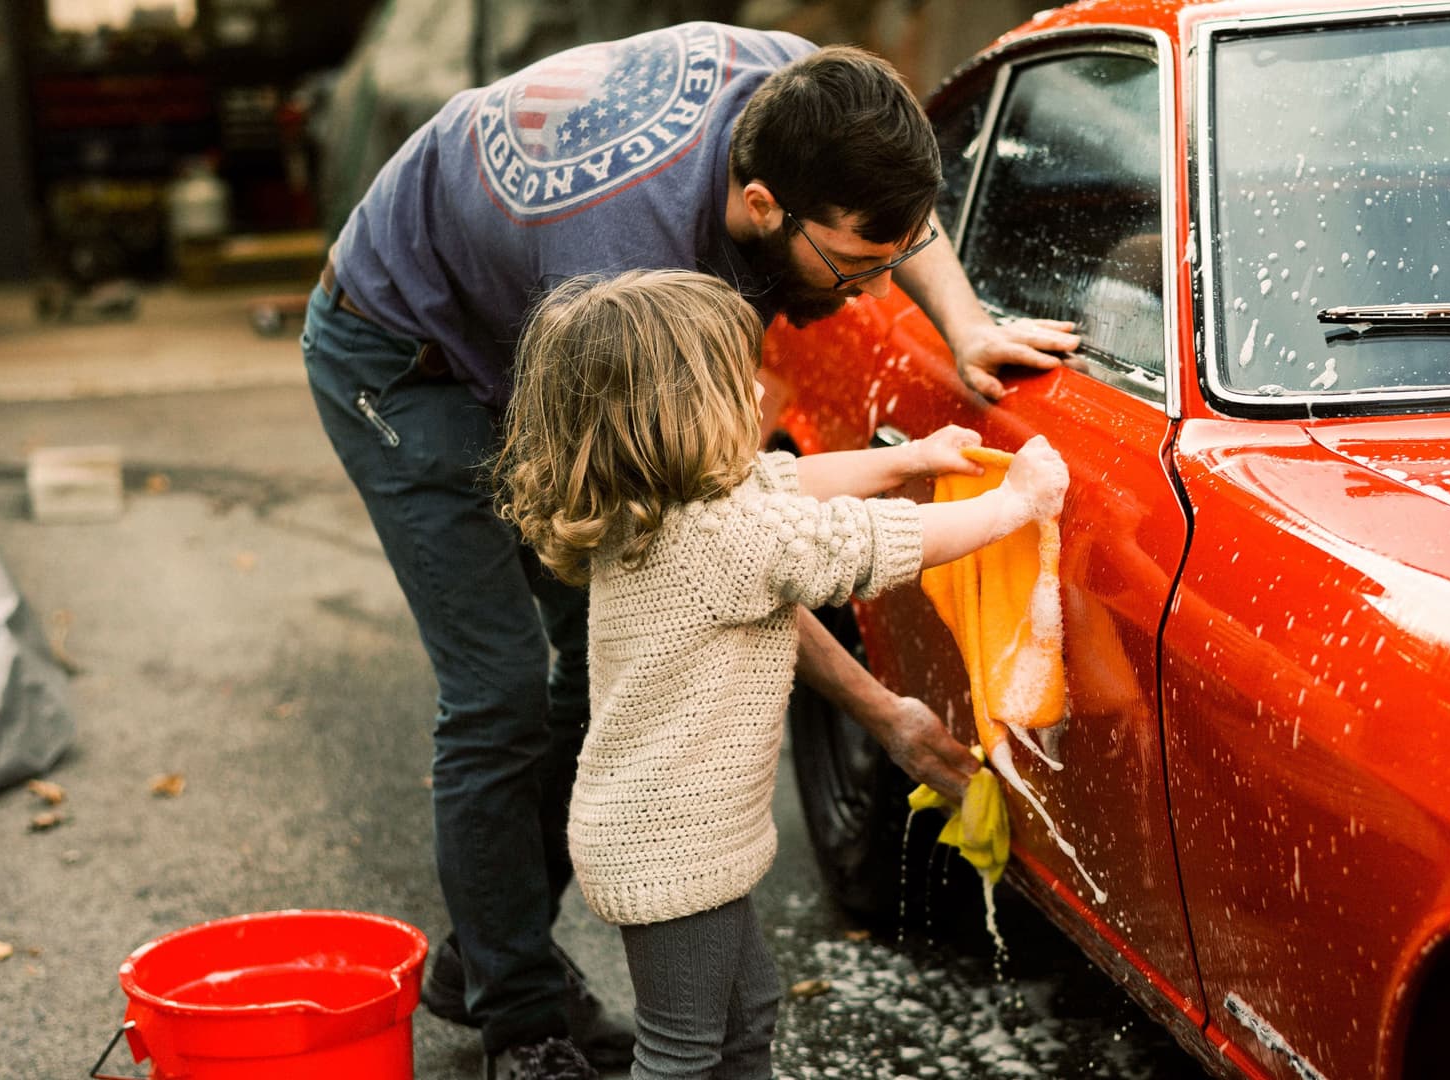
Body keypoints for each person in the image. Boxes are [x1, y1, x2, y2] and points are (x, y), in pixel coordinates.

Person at [298, 21, 1077, 1080]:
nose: (867, 290)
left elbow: (747, 506)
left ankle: (488, 951)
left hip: (542, 324)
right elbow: (733, 560)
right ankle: (519, 1017)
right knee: (500, 695)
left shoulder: (806, 99)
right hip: (405, 354)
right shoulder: (620, 272)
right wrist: (884, 713)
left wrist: (966, 326)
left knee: (593, 669)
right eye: (854, 266)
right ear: (762, 205)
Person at [496, 267, 1068, 1080]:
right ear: (680, 415)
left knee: (746, 1017)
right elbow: (866, 544)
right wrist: (1010, 508)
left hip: (673, 838)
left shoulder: (654, 509)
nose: (759, 396)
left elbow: (792, 482)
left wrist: (916, 460)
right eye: (739, 384)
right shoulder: (719, 540)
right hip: (671, 852)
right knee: (681, 1050)